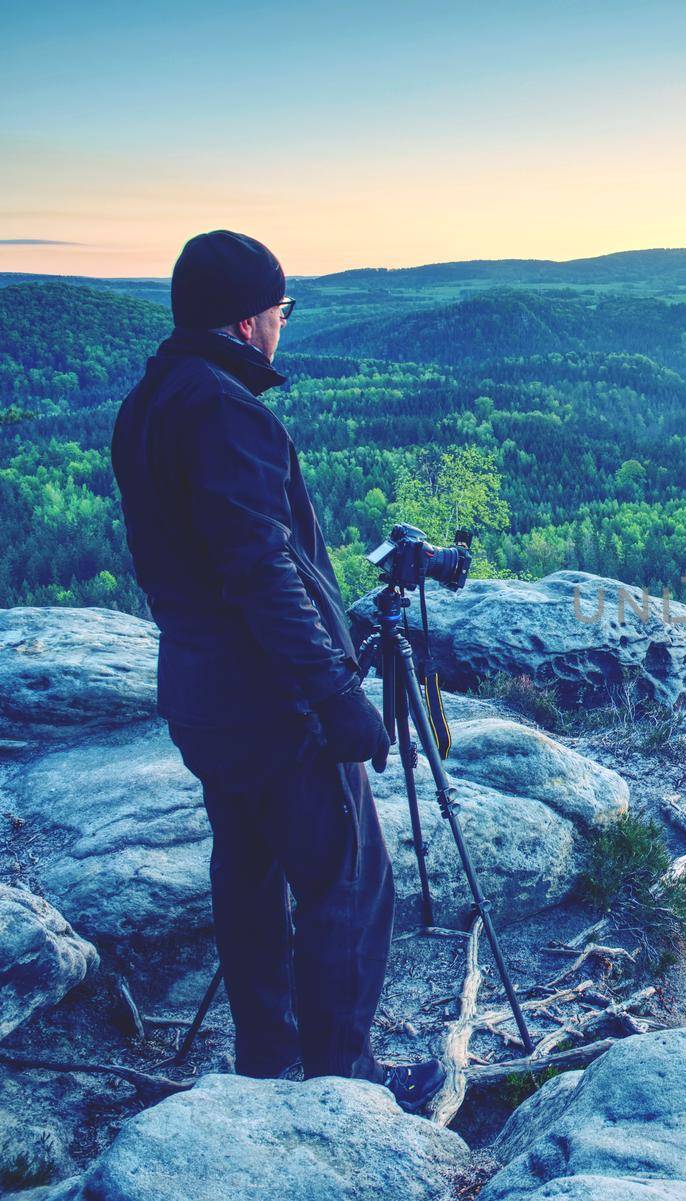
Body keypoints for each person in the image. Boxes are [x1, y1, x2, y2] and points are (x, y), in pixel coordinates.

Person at [111, 230, 444, 1111]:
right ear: (251, 321)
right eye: (282, 311)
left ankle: (264, 1062)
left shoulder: (149, 401)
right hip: (269, 701)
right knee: (349, 880)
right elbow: (259, 567)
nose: (282, 327)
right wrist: (334, 693)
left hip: (202, 694)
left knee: (249, 870)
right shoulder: (223, 409)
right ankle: (345, 1086)